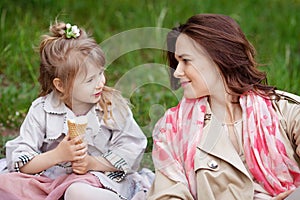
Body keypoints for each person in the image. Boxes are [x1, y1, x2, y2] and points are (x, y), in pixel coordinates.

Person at [148, 14, 300, 200]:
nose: (178, 72)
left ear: (218, 58)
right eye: (177, 62)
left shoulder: (284, 110)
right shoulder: (172, 129)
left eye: (186, 61)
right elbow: (167, 196)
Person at [0, 21, 152, 200]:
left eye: (101, 73)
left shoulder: (111, 107)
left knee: (76, 192)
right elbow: (19, 161)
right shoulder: (42, 110)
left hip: (97, 179)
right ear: (61, 85)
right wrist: (57, 155)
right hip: (50, 180)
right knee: (4, 184)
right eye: (90, 80)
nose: (100, 83)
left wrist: (91, 163)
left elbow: (131, 149)